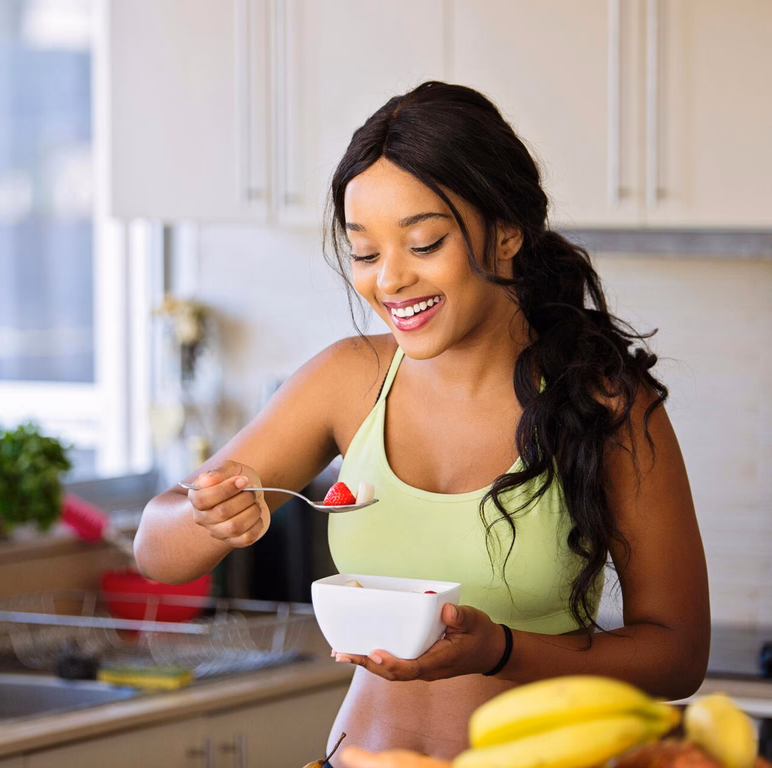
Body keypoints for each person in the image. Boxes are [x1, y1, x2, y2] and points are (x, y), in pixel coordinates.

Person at [133, 81, 710, 762]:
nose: (390, 281)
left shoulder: (605, 403)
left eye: (424, 243)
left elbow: (678, 653)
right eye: (366, 253)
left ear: (506, 235)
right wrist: (205, 518)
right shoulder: (347, 380)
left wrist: (499, 651)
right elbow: (155, 550)